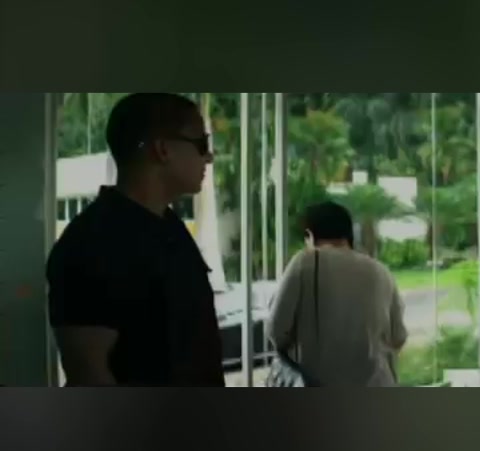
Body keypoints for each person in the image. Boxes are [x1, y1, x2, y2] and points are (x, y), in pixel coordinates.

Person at [46, 93, 224, 386]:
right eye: (201, 144)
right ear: (163, 150)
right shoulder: (92, 243)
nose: (209, 157)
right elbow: (89, 374)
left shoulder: (169, 226)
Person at [266, 201, 408, 387]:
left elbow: (276, 330)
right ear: (349, 235)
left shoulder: (305, 262)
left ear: (310, 235)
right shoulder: (381, 271)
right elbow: (398, 336)